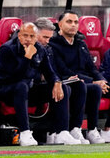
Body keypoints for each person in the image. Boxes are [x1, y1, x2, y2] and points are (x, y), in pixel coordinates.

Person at [49, 10, 110, 144]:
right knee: (93, 88)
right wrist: (93, 81)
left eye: (76, 22)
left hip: (89, 81)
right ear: (60, 25)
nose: (73, 25)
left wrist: (101, 80)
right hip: (70, 81)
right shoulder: (53, 44)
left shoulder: (81, 43)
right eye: (69, 22)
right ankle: (88, 129)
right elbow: (64, 70)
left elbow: (92, 68)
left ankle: (109, 129)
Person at [0, 22, 75, 146]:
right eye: (25, 36)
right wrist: (27, 57)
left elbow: (50, 72)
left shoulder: (40, 49)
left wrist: (57, 82)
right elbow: (15, 77)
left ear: (36, 37)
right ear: (19, 36)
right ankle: (25, 132)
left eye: (32, 36)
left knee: (63, 87)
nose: (28, 39)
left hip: (27, 90)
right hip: (5, 91)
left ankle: (61, 132)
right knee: (21, 86)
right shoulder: (7, 49)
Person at [34, 17, 82, 145]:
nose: (47, 41)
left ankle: (72, 129)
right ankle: (61, 132)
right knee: (64, 89)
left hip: (45, 84)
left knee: (77, 85)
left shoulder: (46, 48)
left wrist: (57, 80)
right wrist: (43, 77)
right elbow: (22, 72)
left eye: (49, 38)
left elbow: (52, 71)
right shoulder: (23, 47)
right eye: (44, 37)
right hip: (27, 87)